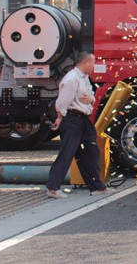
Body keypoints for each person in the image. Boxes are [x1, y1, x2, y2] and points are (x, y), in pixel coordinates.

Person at [46, 51, 108, 198]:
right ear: (85, 62)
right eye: (92, 62)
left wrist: (91, 100)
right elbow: (62, 102)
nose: (94, 65)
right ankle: (53, 187)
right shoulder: (72, 79)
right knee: (67, 153)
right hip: (73, 119)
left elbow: (91, 96)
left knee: (91, 152)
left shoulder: (84, 78)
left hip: (84, 119)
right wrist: (60, 118)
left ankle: (97, 187)